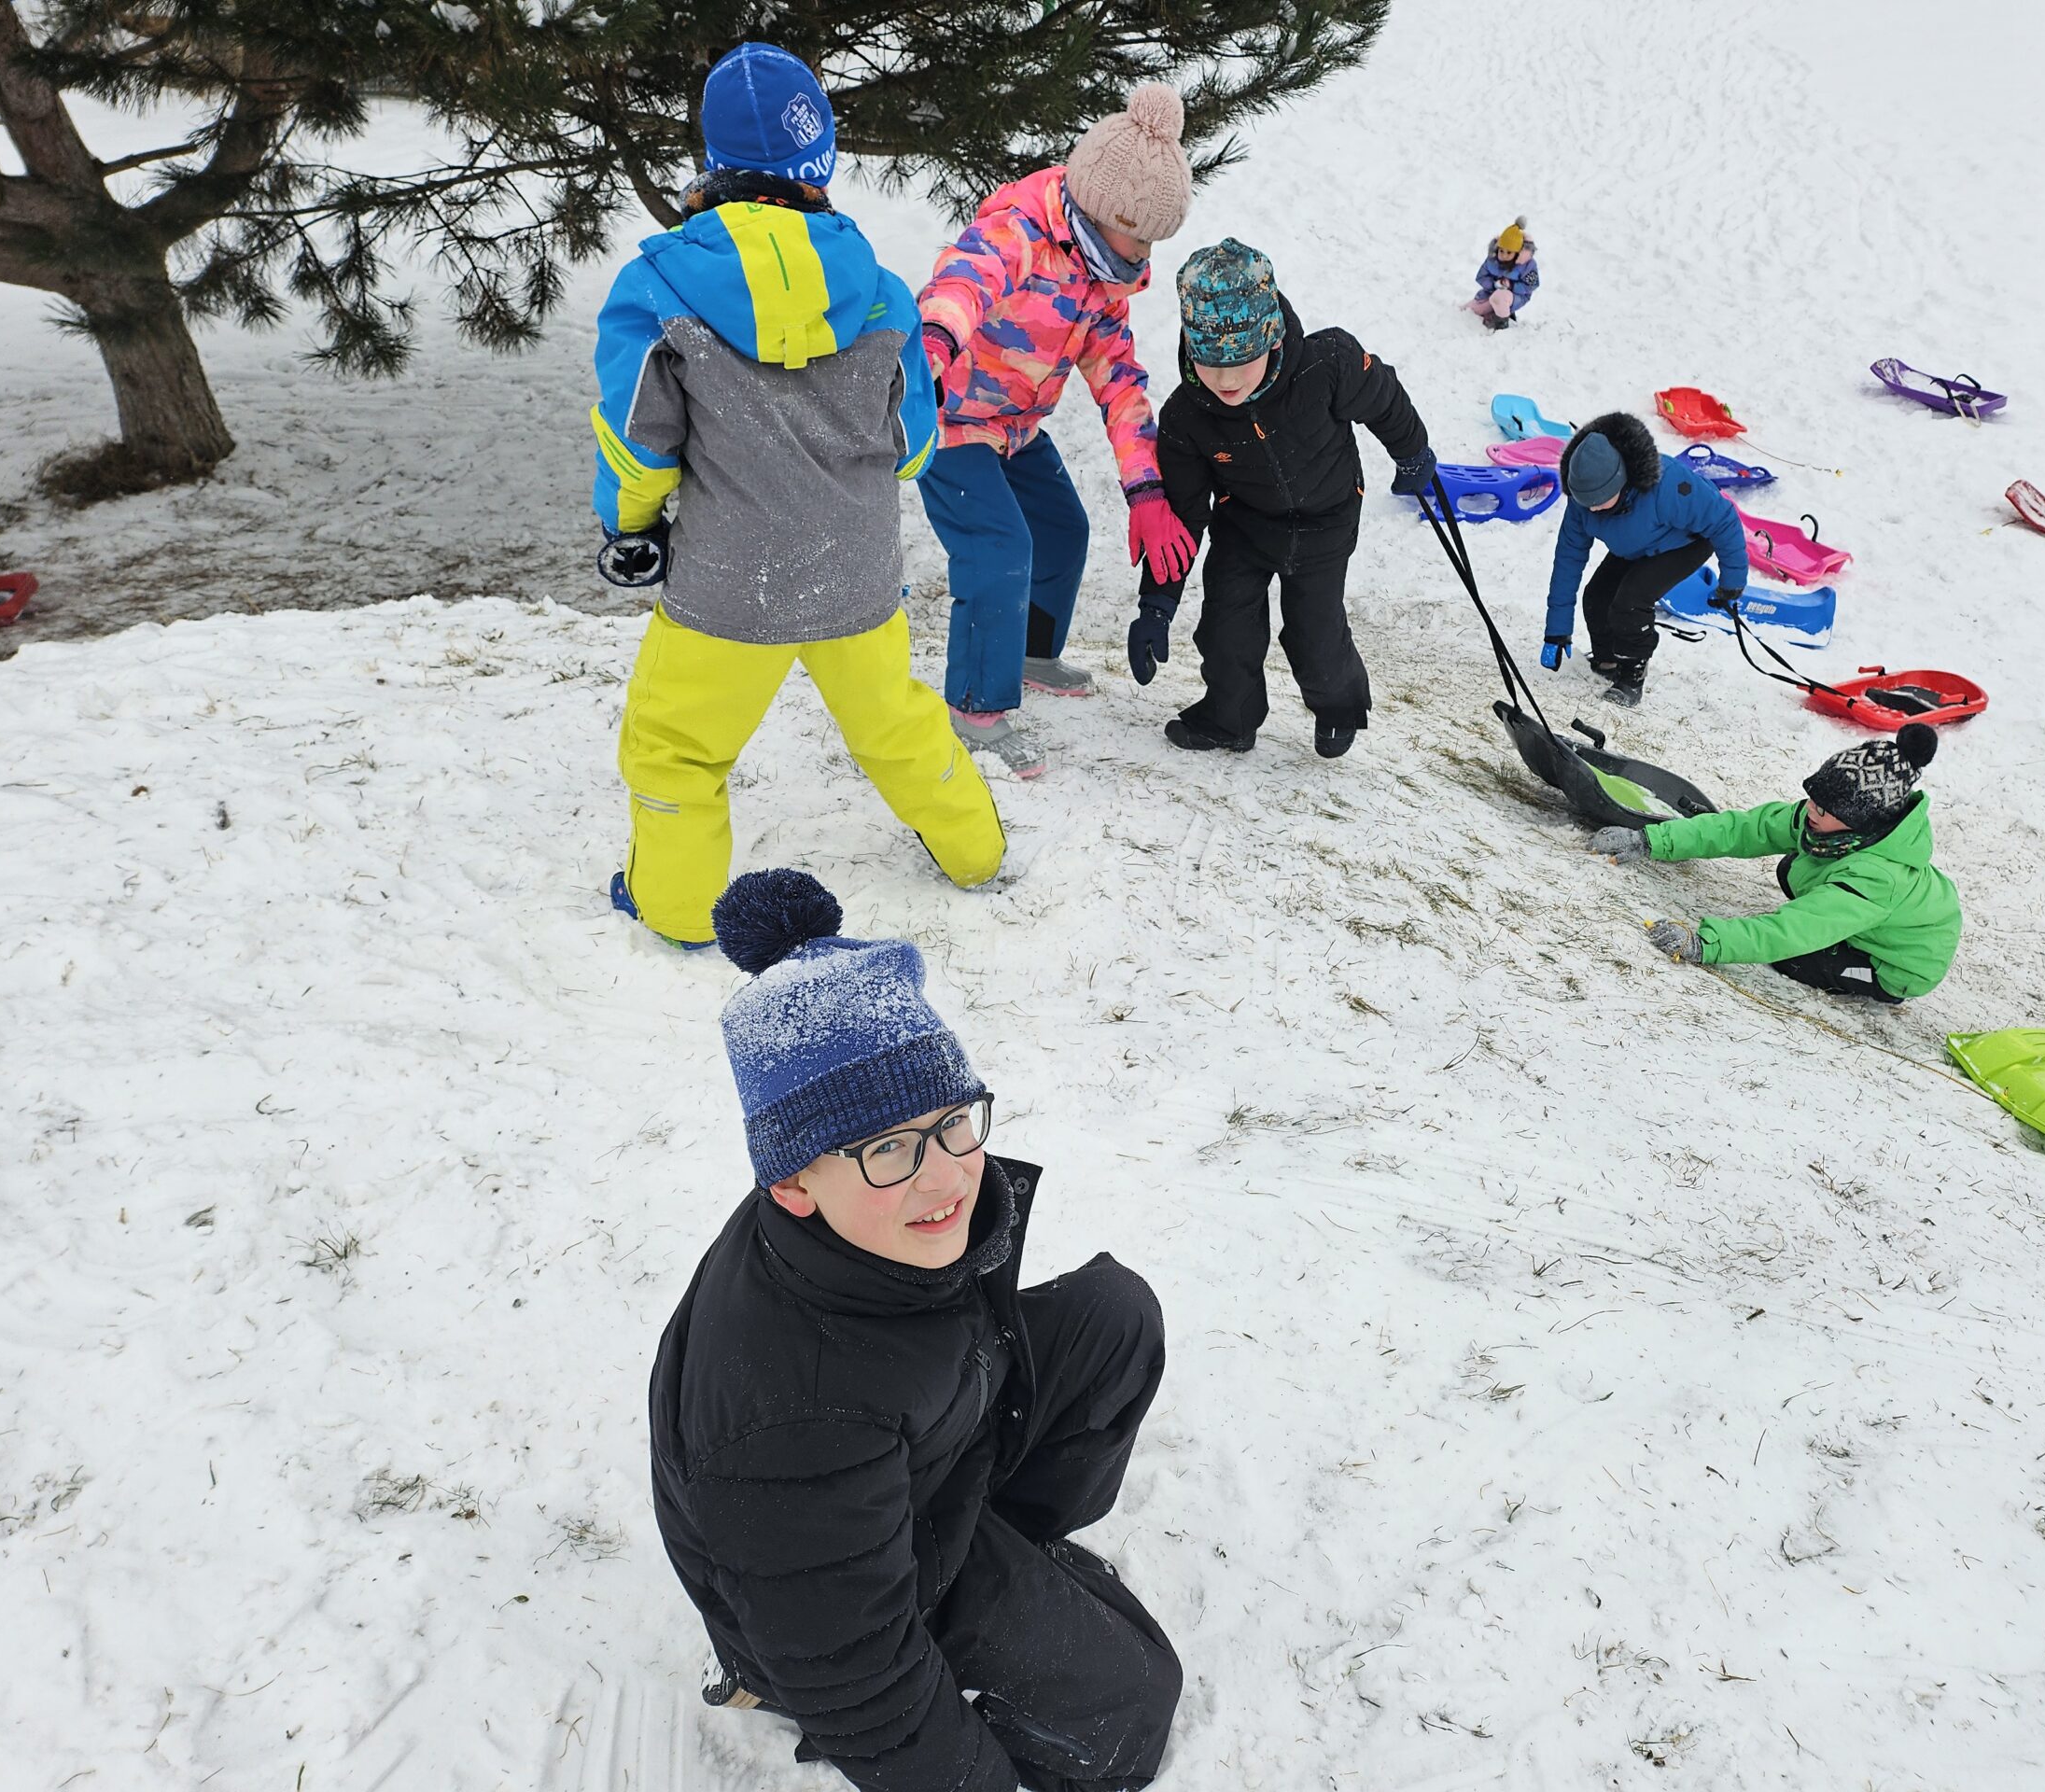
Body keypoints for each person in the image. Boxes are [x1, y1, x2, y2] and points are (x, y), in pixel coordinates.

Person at [651, 868, 1182, 1792]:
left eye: (950, 1123)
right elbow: (853, 1677)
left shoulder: (865, 1221)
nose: (945, 1178)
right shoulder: (790, 1419)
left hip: (922, 1463)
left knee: (1115, 1317)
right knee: (1130, 1702)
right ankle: (910, 1626)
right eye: (888, 1147)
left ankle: (1005, 1556)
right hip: (826, 1594)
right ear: (791, 1182)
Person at [590, 44, 1003, 948]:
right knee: (896, 725)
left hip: (728, 586)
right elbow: (914, 450)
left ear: (712, 160)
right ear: (821, 162)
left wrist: (628, 525)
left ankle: (678, 909)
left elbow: (637, 442)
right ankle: (975, 851)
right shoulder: (881, 294)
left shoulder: (658, 287)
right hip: (856, 572)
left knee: (676, 749)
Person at [916, 84, 1199, 779]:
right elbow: (962, 283)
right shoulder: (1019, 232)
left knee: (1063, 530)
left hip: (1015, 427)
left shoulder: (1105, 281)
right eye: (1142, 235)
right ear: (1105, 213)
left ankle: (1031, 654)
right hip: (951, 419)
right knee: (999, 547)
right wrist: (932, 345)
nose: (1146, 252)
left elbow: (1120, 382)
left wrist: (1146, 489)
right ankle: (976, 708)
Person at [1125, 239, 1433, 758]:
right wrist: (1157, 603)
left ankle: (1339, 708)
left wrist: (1413, 453)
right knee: (1226, 629)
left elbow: (1384, 399)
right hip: (1244, 527)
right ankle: (1229, 719)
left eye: (1240, 362)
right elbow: (1183, 515)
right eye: (1210, 363)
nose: (1225, 381)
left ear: (1270, 338)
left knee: (1316, 635)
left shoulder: (1327, 364)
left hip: (1328, 518)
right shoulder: (1186, 419)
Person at [1589, 723, 1962, 1001]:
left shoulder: (1877, 879)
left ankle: (1863, 966)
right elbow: (1746, 829)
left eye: (1825, 808)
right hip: (1871, 911)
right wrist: (1650, 840)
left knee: (1792, 959)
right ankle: (1845, 925)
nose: (1811, 809)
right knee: (1793, 867)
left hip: (1897, 964)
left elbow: (1791, 931)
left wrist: (1705, 944)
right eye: (1814, 798)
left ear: (1859, 820)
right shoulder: (1825, 822)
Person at [1539, 411, 1749, 708]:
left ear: (1620, 482)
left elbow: (1724, 520)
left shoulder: (1668, 485)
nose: (1592, 509)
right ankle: (1608, 660)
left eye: (1599, 501)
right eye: (1585, 502)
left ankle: (1631, 675)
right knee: (1596, 597)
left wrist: (1732, 582)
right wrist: (1557, 630)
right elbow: (1568, 560)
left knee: (1630, 603)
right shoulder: (1582, 503)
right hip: (1635, 544)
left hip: (1684, 545)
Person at [1466, 217, 1538, 330]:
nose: (1504, 255)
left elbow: (1531, 285)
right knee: (1471, 310)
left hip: (1517, 296)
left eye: (1509, 252)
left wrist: (1511, 286)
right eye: (1501, 251)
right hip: (1492, 292)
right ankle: (1492, 312)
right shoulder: (1493, 260)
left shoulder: (1527, 265)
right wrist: (1494, 284)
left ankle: (1502, 325)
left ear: (1517, 253)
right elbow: (1481, 276)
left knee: (1500, 297)